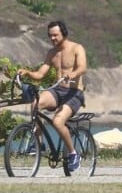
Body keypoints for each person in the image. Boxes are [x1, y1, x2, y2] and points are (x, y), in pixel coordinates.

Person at [17, 20, 86, 171]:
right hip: (57, 90)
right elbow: (41, 74)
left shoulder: (76, 48)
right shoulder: (52, 53)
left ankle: (73, 154)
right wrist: (27, 72)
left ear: (64, 33)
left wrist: (71, 75)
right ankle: (39, 144)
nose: (52, 38)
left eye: (55, 35)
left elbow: (82, 68)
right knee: (36, 103)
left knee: (58, 121)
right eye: (50, 36)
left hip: (74, 93)